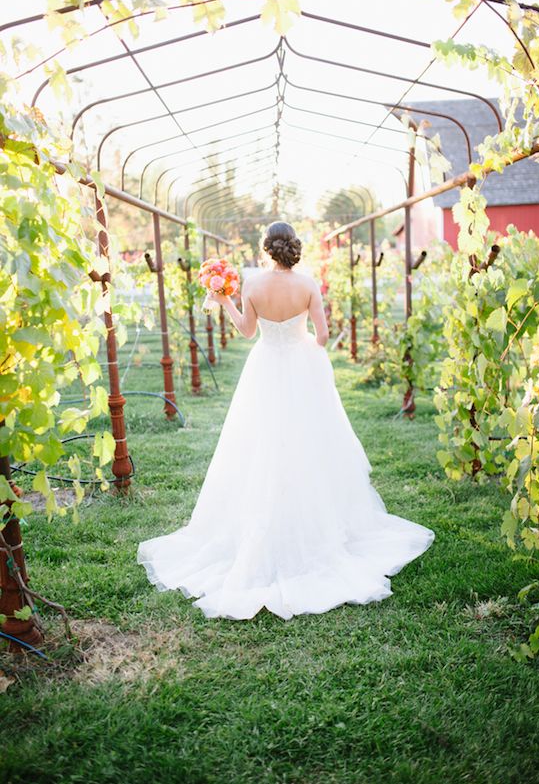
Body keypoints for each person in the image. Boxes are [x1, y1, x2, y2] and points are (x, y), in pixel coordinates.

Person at [137, 221, 435, 620]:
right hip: (300, 366)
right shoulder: (309, 284)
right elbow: (324, 335)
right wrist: (306, 348)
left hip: (265, 367)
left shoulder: (252, 284)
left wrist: (223, 299)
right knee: (309, 443)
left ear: (266, 249)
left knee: (259, 444)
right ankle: (318, 522)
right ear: (293, 248)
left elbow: (246, 331)